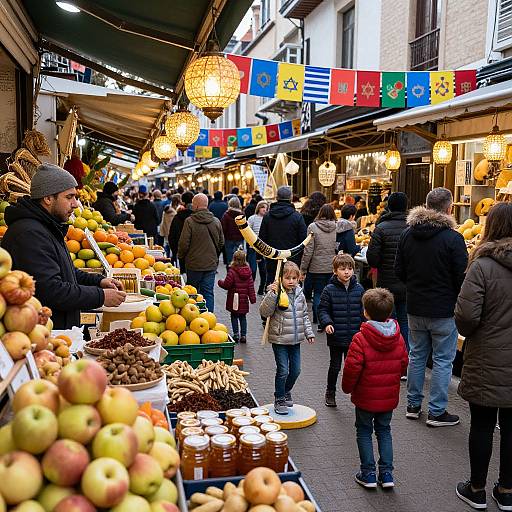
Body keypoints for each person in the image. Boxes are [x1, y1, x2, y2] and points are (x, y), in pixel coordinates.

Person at [1, 164, 126, 329]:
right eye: (69, 197)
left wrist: (99, 281)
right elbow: (50, 290)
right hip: (44, 333)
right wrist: (100, 296)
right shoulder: (30, 234)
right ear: (48, 198)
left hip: (59, 330)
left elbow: (67, 272)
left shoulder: (48, 226)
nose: (75, 204)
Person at [454, 203, 512, 511]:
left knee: (482, 425)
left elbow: (465, 316)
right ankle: (507, 490)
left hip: (487, 357)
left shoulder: (481, 264)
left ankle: (476, 488)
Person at [395, 187, 468, 427]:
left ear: (426, 205)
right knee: (443, 360)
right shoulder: (454, 239)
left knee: (416, 356)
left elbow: (399, 271)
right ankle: (437, 411)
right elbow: (462, 277)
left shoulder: (408, 234)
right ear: (449, 208)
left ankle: (413, 405)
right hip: (444, 308)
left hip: (415, 305)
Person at [342, 288, 408, 489]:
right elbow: (403, 362)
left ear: (366, 312)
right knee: (384, 431)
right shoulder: (398, 336)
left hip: (365, 397)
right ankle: (387, 474)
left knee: (363, 431)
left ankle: (368, 473)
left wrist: (347, 388)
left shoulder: (360, 339)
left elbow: (351, 368)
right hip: (388, 397)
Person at [260, 261, 315, 415]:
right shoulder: (275, 292)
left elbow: (304, 315)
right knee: (283, 370)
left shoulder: (300, 294)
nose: (291, 281)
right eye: (287, 278)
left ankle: (286, 391)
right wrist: (272, 293)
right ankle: (279, 398)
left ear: (298, 279)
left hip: (295, 339)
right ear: (280, 278)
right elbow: (264, 312)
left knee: (296, 370)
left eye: (294, 278)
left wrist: (309, 333)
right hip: (279, 338)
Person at [318, 254, 365, 408]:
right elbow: (323, 309)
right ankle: (330, 392)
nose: (347, 272)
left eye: (350, 268)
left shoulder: (359, 289)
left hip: (355, 337)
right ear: (335, 271)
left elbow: (363, 311)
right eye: (343, 269)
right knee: (335, 366)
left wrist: (365, 327)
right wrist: (327, 323)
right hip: (336, 337)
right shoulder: (329, 290)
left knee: (354, 367)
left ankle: (357, 392)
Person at [366, 192, 409, 348]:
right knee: (405, 322)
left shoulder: (381, 228)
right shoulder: (412, 228)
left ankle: (389, 353)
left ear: (389, 207)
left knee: (387, 321)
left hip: (386, 285)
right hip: (407, 284)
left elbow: (372, 259)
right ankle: (404, 358)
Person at [178, 193, 224, 312]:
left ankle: (194, 317)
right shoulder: (216, 221)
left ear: (196, 205)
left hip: (193, 264)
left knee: (193, 292)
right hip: (210, 264)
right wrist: (214, 255)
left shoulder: (189, 221)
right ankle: (208, 317)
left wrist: (181, 257)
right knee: (208, 292)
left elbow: (184, 244)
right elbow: (221, 242)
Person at [259, 186, 307, 288]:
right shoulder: (297, 217)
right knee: (291, 286)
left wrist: (259, 256)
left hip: (272, 257)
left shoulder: (268, 216)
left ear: (277, 197)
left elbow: (262, 238)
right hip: (292, 258)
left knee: (272, 287)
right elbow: (303, 240)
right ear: (291, 198)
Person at [300, 204, 338, 327]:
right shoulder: (336, 227)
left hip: (316, 267)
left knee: (318, 293)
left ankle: (318, 319)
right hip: (332, 266)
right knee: (330, 293)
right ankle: (328, 319)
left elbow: (308, 250)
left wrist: (303, 269)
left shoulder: (312, 227)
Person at [218, 249, 256, 344]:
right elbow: (251, 287)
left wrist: (220, 282)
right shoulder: (248, 272)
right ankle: (243, 335)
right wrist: (253, 298)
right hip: (244, 299)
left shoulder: (232, 271)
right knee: (243, 317)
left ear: (234, 259)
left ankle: (236, 334)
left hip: (234, 298)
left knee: (234, 316)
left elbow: (227, 284)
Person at [301, 191, 327, 300]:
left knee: (307, 269)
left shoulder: (304, 211)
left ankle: (306, 292)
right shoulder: (321, 213)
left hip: (305, 242)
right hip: (320, 244)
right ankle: (311, 292)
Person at [247, 200, 268, 294]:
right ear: (258, 208)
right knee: (253, 270)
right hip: (253, 248)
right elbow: (248, 232)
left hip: (264, 248)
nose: (264, 209)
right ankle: (250, 289)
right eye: (262, 207)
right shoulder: (252, 218)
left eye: (266, 207)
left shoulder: (268, 219)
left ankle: (261, 289)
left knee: (264, 271)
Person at [168, 191, 194, 270]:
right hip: (194, 254)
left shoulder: (177, 217)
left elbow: (171, 236)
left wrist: (175, 251)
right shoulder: (196, 217)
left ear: (183, 202)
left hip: (180, 253)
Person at [221, 197, 244, 266]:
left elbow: (223, 228)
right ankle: (238, 274)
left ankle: (230, 274)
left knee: (230, 260)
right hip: (239, 239)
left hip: (229, 239)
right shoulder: (242, 215)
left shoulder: (226, 215)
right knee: (240, 259)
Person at [160, 194, 180, 259]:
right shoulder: (174, 214)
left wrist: (162, 232)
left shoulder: (166, 211)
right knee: (172, 252)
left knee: (167, 249)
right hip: (172, 234)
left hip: (166, 233)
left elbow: (163, 223)